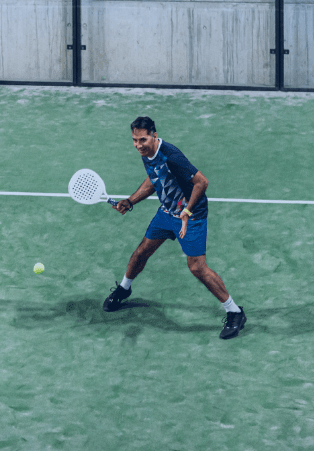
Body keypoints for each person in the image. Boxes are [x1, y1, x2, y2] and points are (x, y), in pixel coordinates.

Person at [103, 116, 247, 339]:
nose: (138, 145)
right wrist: (131, 201)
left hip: (191, 216)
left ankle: (235, 312)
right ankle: (124, 288)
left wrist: (187, 211)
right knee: (142, 251)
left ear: (154, 135)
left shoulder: (171, 156)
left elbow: (202, 182)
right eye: (134, 140)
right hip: (166, 212)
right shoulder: (147, 154)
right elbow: (153, 180)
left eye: (142, 139)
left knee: (197, 268)